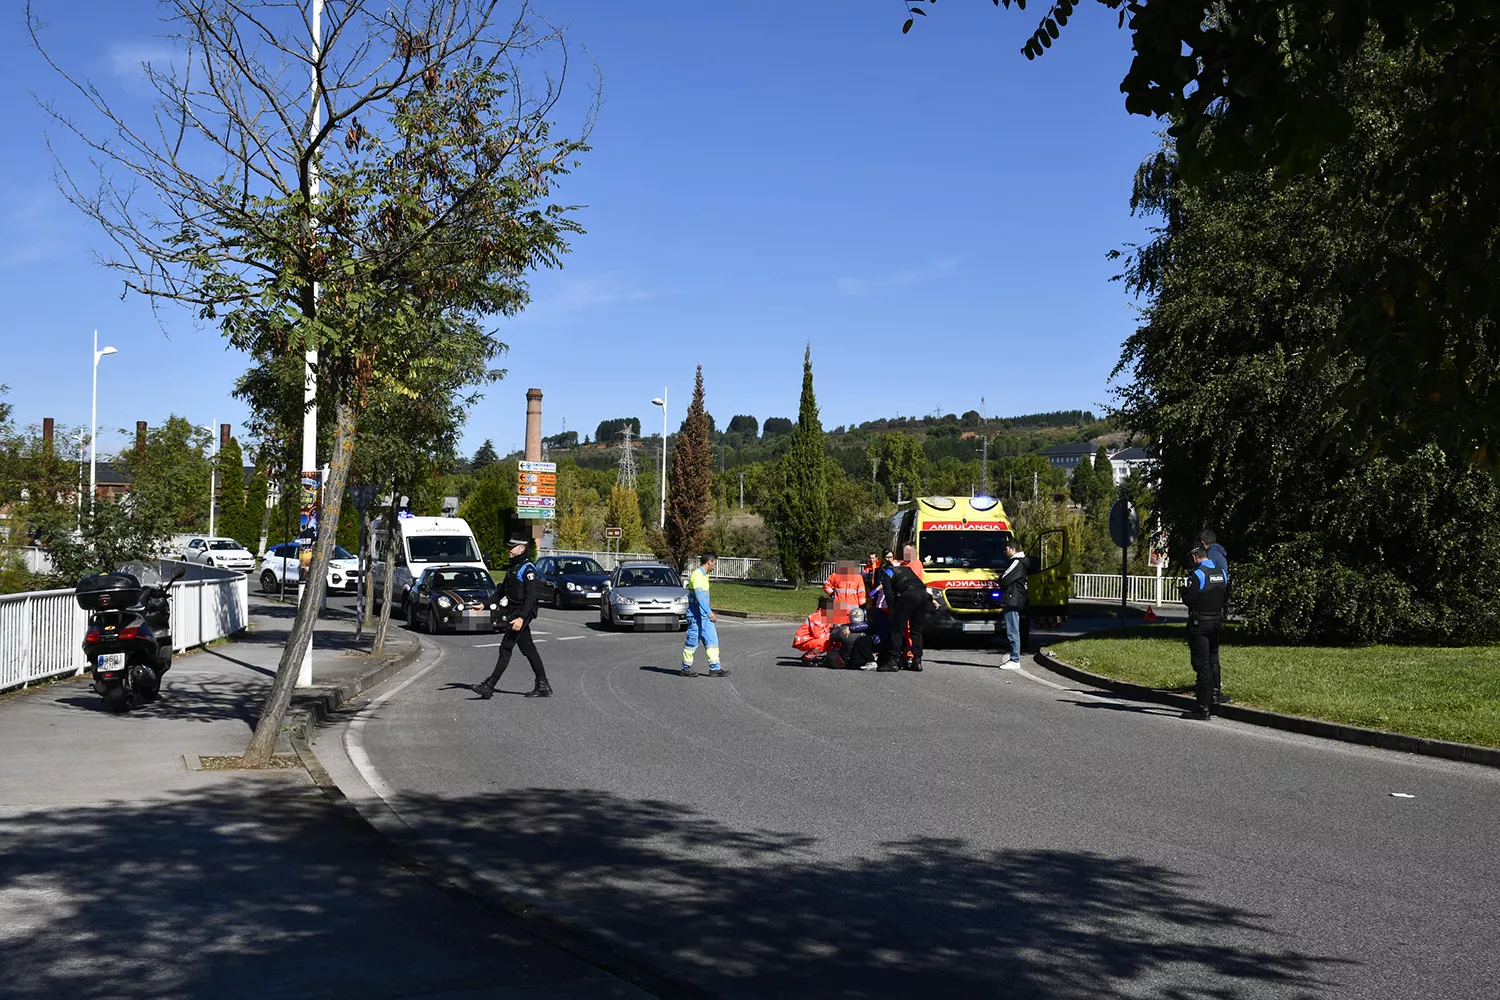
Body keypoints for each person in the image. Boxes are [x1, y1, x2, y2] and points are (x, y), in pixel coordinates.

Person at [474, 534, 550, 700]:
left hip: (520, 614)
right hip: (514, 613)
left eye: (512, 547)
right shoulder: (514, 567)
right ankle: (543, 684)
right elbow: (501, 591)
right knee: (529, 649)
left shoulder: (528, 569)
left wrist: (522, 618)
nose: (509, 550)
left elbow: (531, 598)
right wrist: (484, 604)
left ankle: (489, 686)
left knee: (505, 648)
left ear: (521, 549)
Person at [1179, 545, 1227, 720]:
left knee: (1202, 666)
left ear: (1194, 557)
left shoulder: (1198, 575)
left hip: (1200, 624)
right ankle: (1215, 696)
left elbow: (1190, 600)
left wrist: (1183, 592)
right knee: (1213, 660)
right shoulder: (1221, 573)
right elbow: (1225, 594)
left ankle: (1202, 709)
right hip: (1216, 621)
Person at [880, 544, 930, 672]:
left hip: (909, 595)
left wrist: (892, 609)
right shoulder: (906, 569)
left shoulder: (886, 573)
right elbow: (919, 584)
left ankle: (892, 662)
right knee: (916, 630)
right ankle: (917, 661)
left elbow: (889, 593)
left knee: (896, 629)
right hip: (923, 595)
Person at [683, 552, 729, 677]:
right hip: (696, 615)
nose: (715, 566)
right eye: (714, 563)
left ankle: (715, 668)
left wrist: (708, 612)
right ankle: (685, 667)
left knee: (712, 641)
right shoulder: (697, 575)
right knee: (692, 642)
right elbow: (700, 597)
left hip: (704, 615)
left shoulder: (704, 576)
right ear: (709, 562)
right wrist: (710, 613)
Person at [1198, 528, 1231, 702]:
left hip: (1205, 611)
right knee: (1214, 651)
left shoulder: (1208, 556)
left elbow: (1201, 581)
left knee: (1204, 655)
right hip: (1218, 608)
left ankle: (1206, 693)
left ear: (1204, 542)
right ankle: (1216, 691)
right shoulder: (1222, 555)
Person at [997, 537, 1028, 668]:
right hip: (1015, 599)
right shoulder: (1021, 562)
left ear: (1013, 549)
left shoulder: (1016, 562)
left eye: (1006, 549)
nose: (1005, 552)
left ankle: (1015, 659)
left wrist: (999, 579)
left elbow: (1004, 579)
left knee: (1012, 629)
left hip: (1012, 599)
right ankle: (1014, 658)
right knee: (1013, 628)